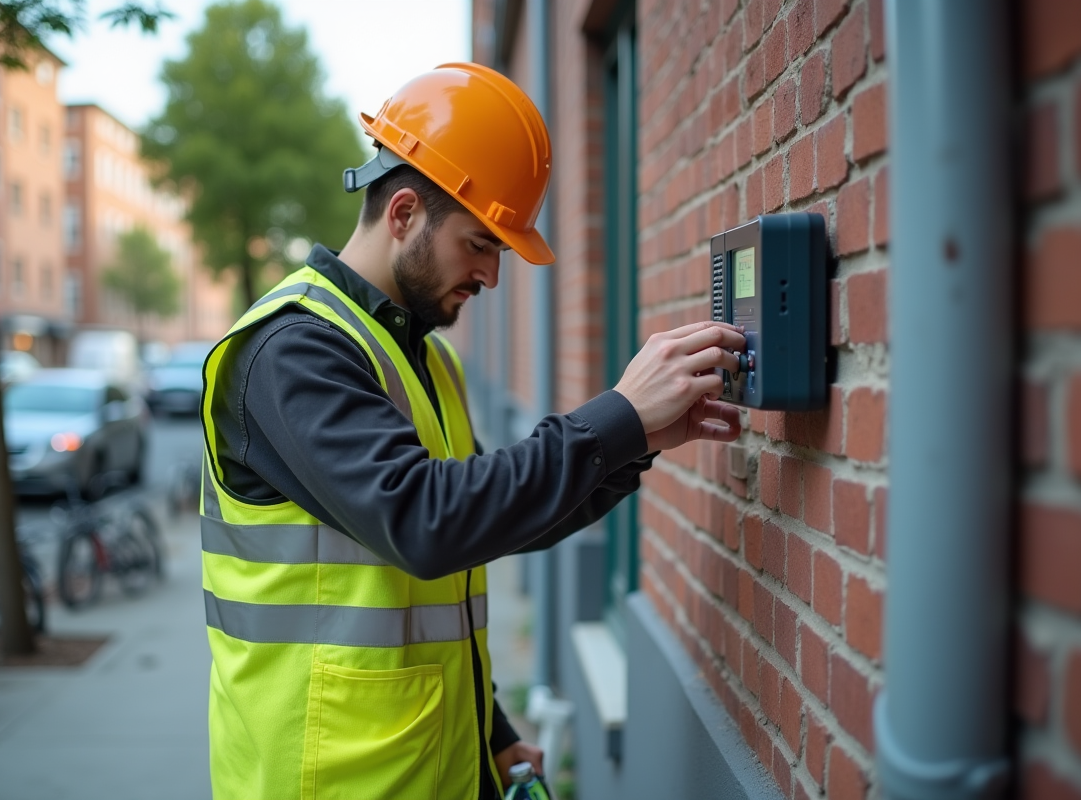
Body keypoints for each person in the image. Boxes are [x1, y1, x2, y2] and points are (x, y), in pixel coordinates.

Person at [200, 62, 746, 800]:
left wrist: (636, 440)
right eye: (481, 243)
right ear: (402, 214)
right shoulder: (293, 351)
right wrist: (615, 414)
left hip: (425, 769)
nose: (492, 276)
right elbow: (426, 521)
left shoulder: (421, 355)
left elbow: (488, 525)